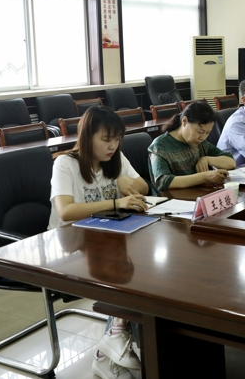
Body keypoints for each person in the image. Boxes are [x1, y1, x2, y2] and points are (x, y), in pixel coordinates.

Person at [48, 106, 149, 378]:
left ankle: (114, 342)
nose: (112, 146)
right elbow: (66, 211)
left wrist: (126, 182)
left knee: (143, 270)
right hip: (69, 246)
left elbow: (143, 187)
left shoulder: (114, 159)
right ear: (87, 136)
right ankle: (115, 343)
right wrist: (116, 202)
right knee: (129, 277)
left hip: (105, 239)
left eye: (117, 140)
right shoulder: (65, 164)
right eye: (106, 139)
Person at [148, 100, 236, 193]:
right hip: (173, 199)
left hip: (197, 194)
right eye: (200, 131)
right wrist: (205, 177)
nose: (203, 137)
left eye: (207, 133)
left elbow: (231, 162)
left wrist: (207, 159)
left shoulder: (200, 143)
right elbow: (163, 182)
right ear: (184, 121)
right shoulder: (160, 145)